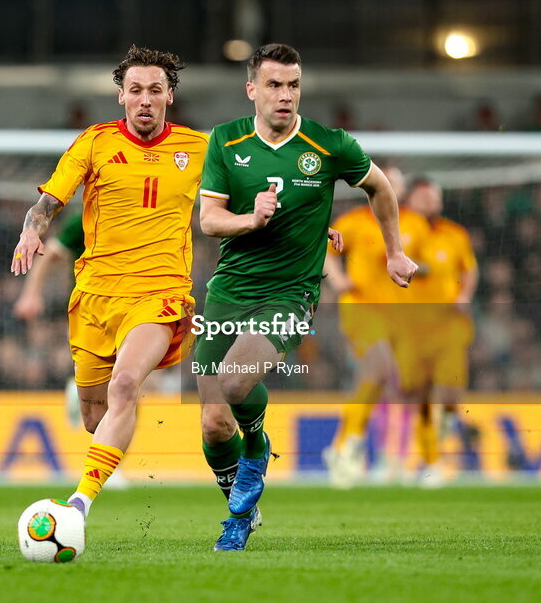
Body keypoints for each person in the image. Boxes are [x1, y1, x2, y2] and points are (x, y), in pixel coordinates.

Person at [195, 43, 418, 550]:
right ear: (251, 89)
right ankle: (240, 511)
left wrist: (394, 253)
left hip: (291, 292)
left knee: (234, 384)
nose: (285, 95)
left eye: (293, 85)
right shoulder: (226, 142)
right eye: (273, 85)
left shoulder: (329, 144)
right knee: (211, 423)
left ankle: (256, 451)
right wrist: (251, 219)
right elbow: (210, 221)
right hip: (230, 289)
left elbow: (380, 188)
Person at [10, 46, 209, 521]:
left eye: (155, 91)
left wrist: (304, 224)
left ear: (169, 96)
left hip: (161, 294)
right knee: (95, 418)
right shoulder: (94, 143)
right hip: (96, 298)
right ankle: (109, 460)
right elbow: (49, 202)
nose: (145, 100)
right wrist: (29, 231)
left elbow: (256, 183)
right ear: (121, 96)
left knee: (124, 387)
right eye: (136, 90)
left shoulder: (201, 148)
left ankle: (77, 505)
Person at [321, 168, 428, 488]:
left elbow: (423, 268)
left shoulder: (416, 225)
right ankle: (349, 447)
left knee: (386, 383)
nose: (390, 188)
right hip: (361, 309)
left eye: (396, 183)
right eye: (386, 181)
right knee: (380, 370)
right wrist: (339, 283)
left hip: (402, 316)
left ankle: (353, 449)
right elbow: (326, 253)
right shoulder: (353, 222)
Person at [394, 178, 478, 487]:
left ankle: (450, 428)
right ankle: (432, 462)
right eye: (425, 196)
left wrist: (465, 294)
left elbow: (469, 268)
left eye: (435, 196)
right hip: (412, 328)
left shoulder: (455, 235)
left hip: (448, 326)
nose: (432, 201)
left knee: (450, 393)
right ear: (411, 199)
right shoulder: (399, 231)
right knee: (420, 397)